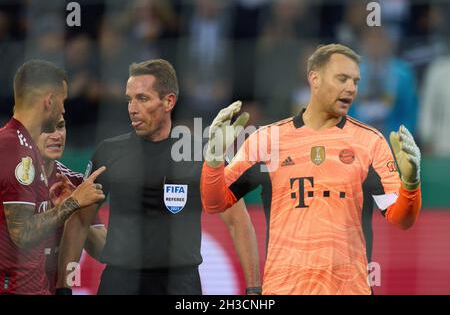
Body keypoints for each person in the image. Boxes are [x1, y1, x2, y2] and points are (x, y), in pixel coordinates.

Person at [200, 44, 422, 295]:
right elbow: (214, 202)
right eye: (342, 79)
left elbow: (402, 220)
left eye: (356, 81)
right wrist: (215, 159)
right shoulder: (268, 141)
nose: (351, 88)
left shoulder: (370, 143)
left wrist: (411, 182)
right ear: (314, 79)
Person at [57, 59, 261, 295]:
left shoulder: (201, 155)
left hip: (180, 284)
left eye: (142, 98)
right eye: (129, 99)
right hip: (120, 282)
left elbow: (239, 222)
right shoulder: (109, 152)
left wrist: (254, 289)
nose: (132, 108)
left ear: (168, 101)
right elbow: (80, 221)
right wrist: (65, 286)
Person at [0, 60, 106, 295]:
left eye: (62, 127)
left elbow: (103, 251)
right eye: (63, 101)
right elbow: (23, 233)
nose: (64, 109)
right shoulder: (14, 149)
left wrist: (79, 211)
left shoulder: (70, 179)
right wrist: (73, 203)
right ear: (49, 100)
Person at [37, 116, 107, 294]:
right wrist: (64, 209)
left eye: (60, 126)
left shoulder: (75, 182)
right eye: (46, 128)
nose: (56, 135)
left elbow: (102, 251)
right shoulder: (8, 178)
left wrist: (75, 210)